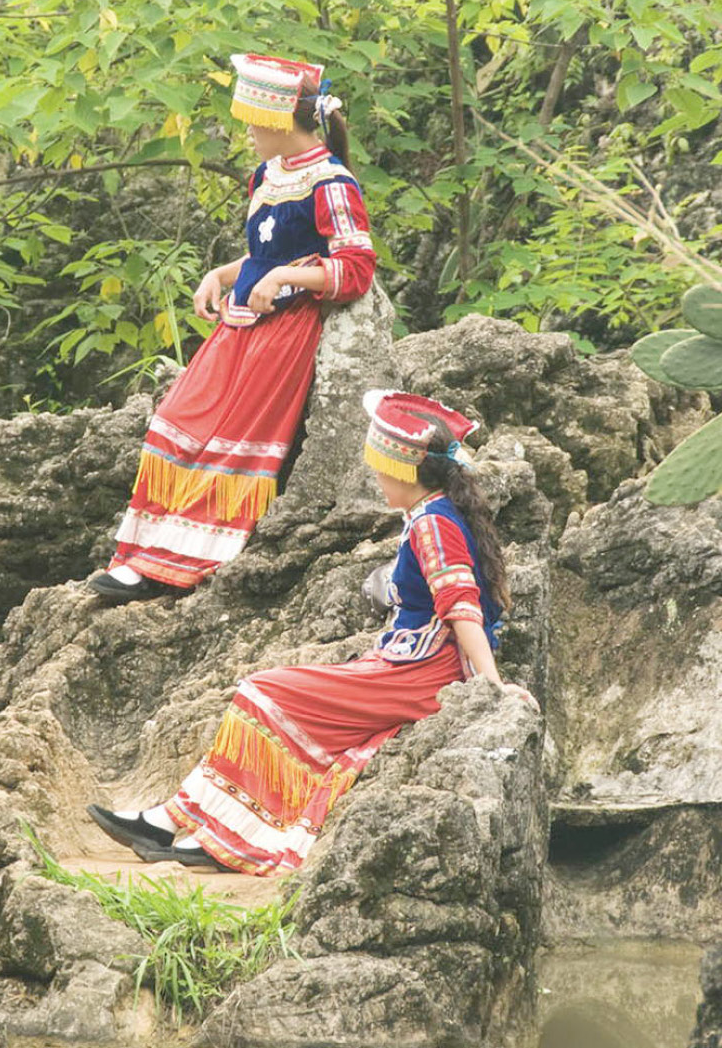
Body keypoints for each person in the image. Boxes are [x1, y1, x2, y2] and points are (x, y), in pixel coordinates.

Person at [87, 391, 537, 876]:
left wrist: (489, 684)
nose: (377, 477)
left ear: (406, 471)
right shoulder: (436, 513)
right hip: (413, 663)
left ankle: (175, 822)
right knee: (271, 698)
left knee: (262, 694)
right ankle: (191, 825)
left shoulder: (433, 523)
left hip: (425, 674)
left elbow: (461, 607)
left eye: (382, 468)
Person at [88, 52, 375, 603]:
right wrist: (218, 275)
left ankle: (184, 564)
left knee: (230, 443)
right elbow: (263, 254)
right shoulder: (267, 175)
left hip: (285, 332)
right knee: (176, 421)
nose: (244, 133)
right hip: (239, 325)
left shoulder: (333, 184)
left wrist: (291, 277)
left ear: (274, 122)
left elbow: (357, 266)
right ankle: (140, 556)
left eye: (250, 123)